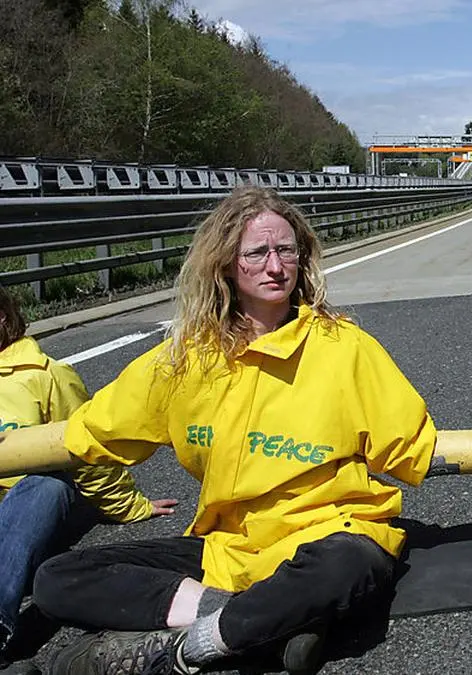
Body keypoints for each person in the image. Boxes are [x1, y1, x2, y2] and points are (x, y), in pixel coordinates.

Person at [31, 187, 438, 675]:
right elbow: (99, 428)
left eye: (286, 250)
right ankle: (265, 623)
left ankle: (184, 651)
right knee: (58, 577)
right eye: (257, 253)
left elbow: (408, 443)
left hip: (331, 531)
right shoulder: (189, 358)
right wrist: (14, 446)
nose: (275, 266)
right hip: (229, 548)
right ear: (226, 264)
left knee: (350, 566)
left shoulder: (343, 344)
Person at [0, 286, 175, 675]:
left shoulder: (47, 377)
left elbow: (86, 449)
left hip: (23, 504)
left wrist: (131, 507)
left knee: (47, 485)